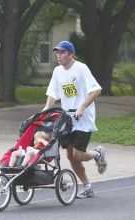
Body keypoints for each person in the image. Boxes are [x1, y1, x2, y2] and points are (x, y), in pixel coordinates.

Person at [42, 40, 108, 198]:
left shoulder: (81, 68)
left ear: (71, 54)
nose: (59, 55)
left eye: (62, 52)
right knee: (71, 156)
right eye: (57, 52)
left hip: (82, 118)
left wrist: (82, 106)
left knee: (78, 155)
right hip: (67, 119)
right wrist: (46, 108)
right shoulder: (57, 71)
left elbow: (96, 90)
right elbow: (53, 93)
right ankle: (88, 187)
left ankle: (98, 154)